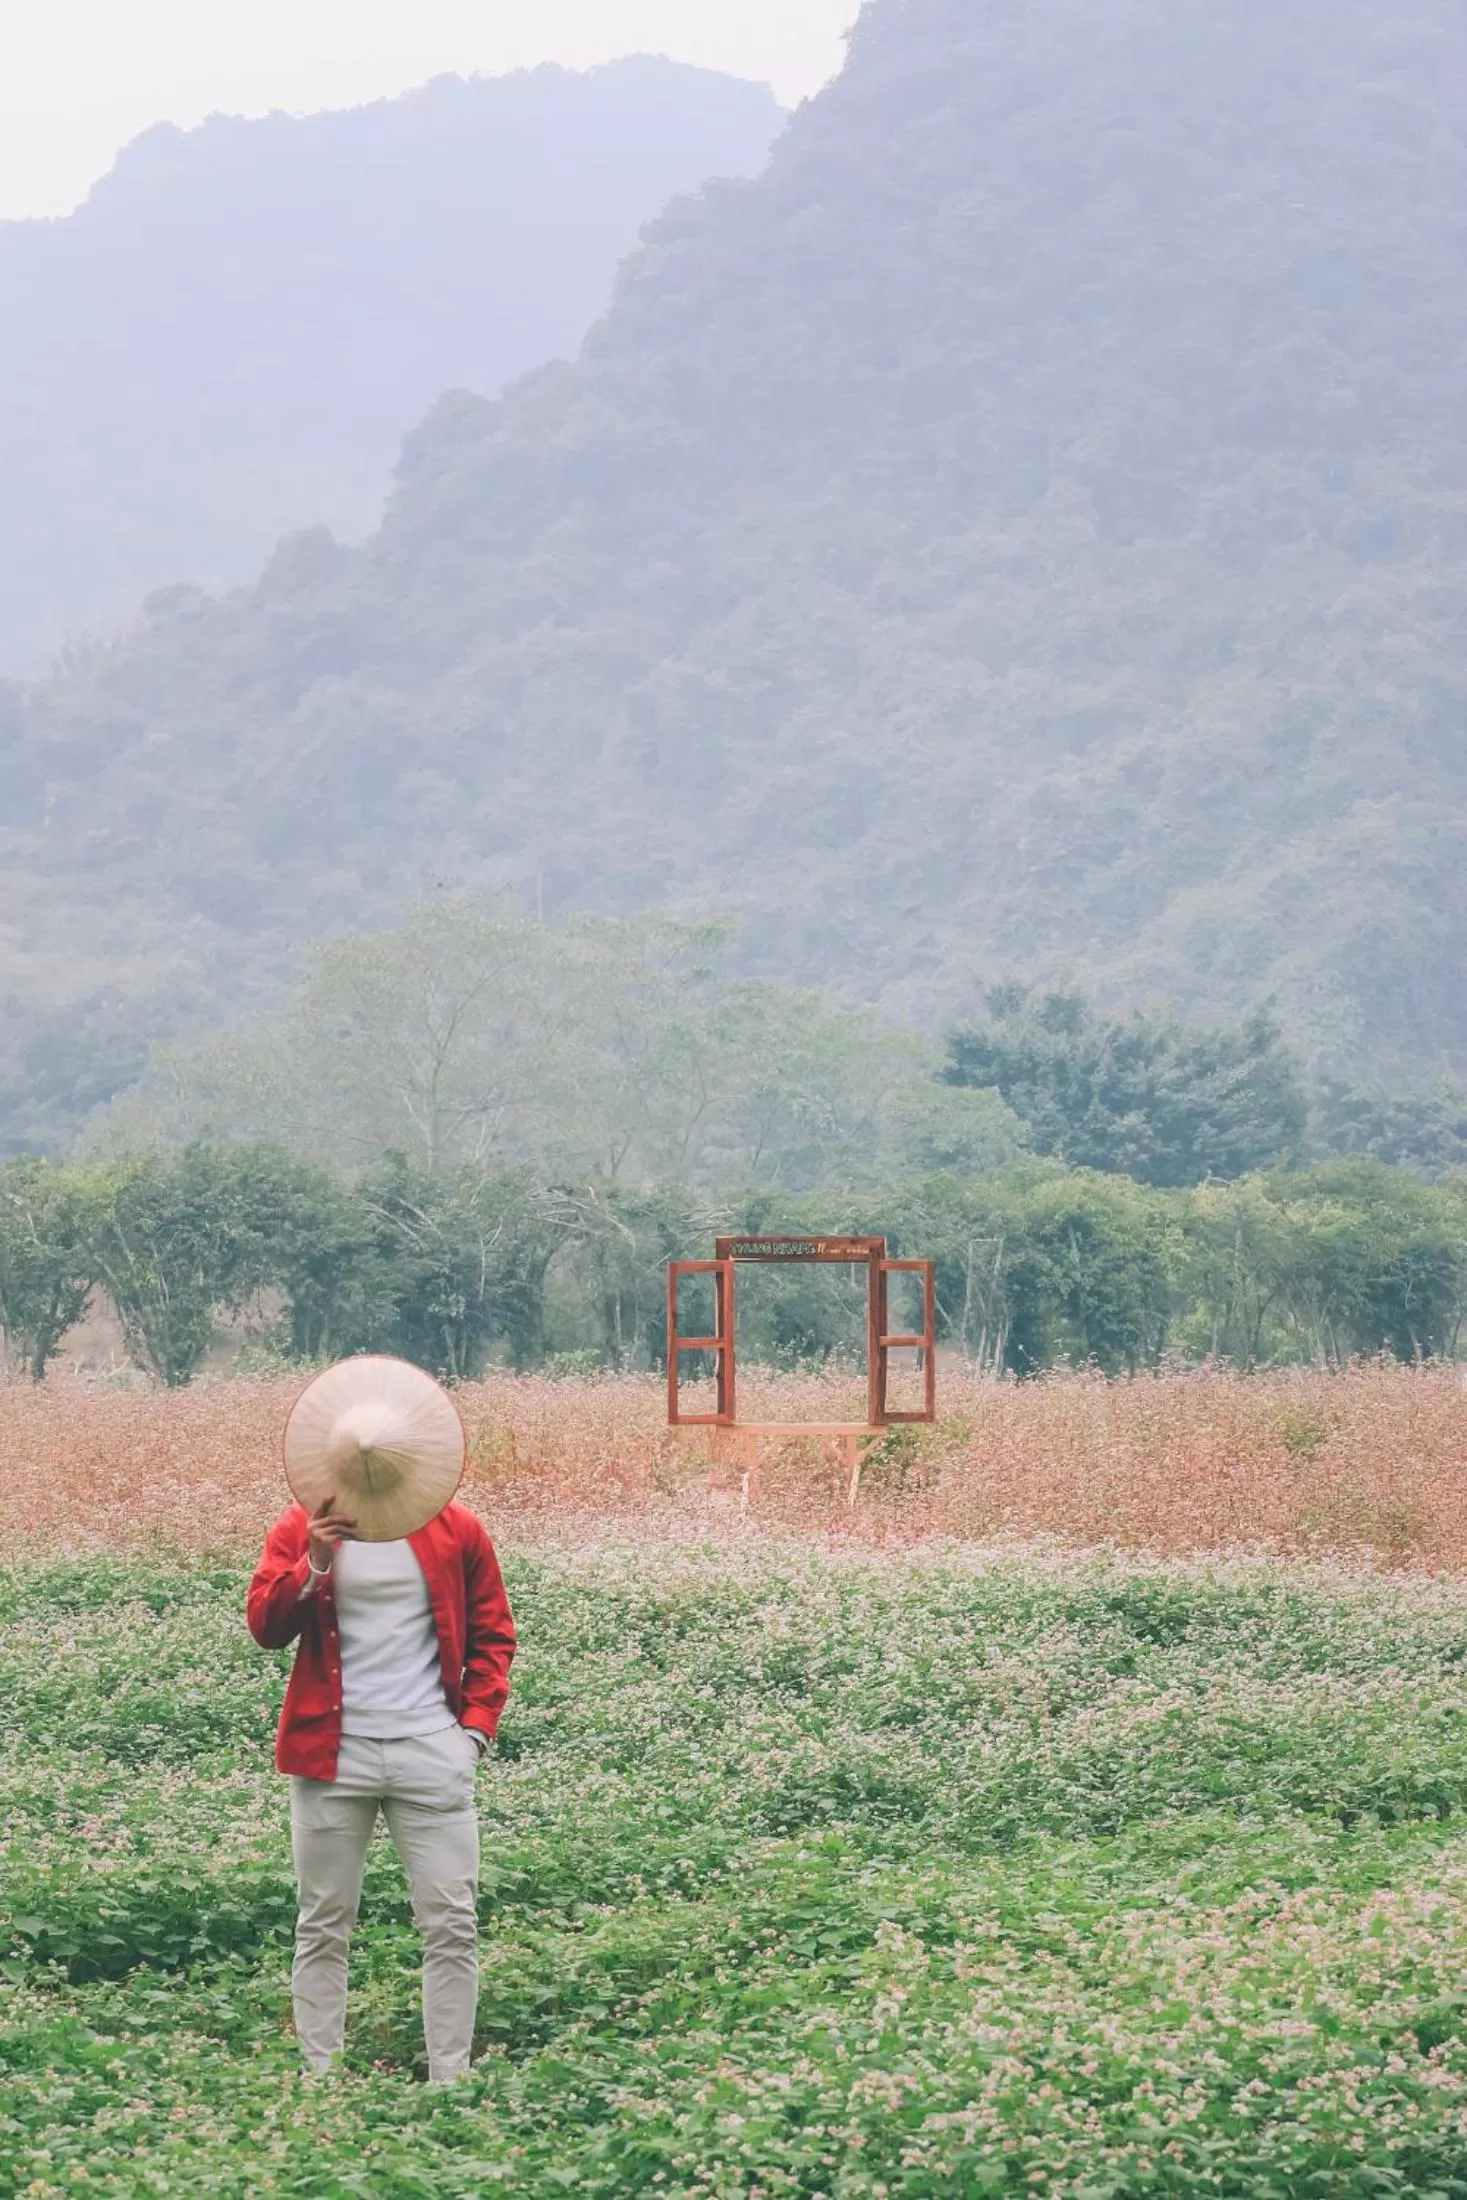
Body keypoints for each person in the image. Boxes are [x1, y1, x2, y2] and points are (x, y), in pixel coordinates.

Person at [247, 1359, 515, 2082]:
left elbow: (494, 1637)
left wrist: (473, 1734)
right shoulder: (303, 1526)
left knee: (451, 1923)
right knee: (323, 1923)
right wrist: (316, 1563)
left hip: (433, 1752)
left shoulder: (456, 1529)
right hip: (331, 1759)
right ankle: (320, 2078)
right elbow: (265, 1627)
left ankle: (451, 2080)